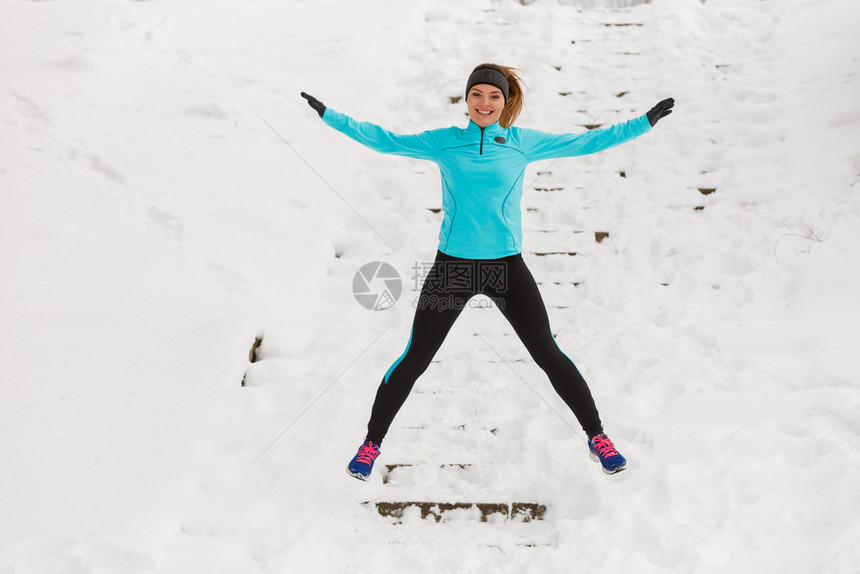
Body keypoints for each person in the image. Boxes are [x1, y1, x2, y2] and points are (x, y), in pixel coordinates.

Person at [301, 63, 674, 480]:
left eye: (494, 96)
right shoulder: (444, 143)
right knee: (415, 357)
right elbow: (385, 141)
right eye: (477, 94)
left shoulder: (521, 144)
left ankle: (597, 437)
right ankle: (371, 444)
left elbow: (585, 142)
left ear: (504, 101)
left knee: (547, 352)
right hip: (454, 266)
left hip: (506, 266)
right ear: (466, 99)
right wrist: (330, 116)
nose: (485, 102)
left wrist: (642, 123)